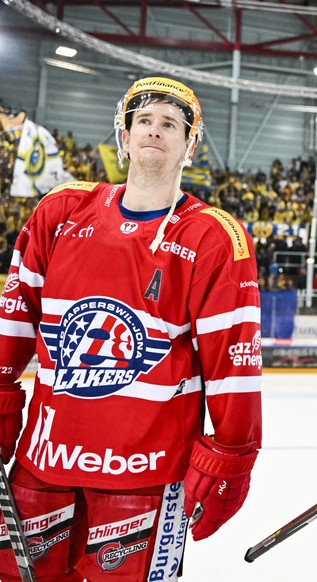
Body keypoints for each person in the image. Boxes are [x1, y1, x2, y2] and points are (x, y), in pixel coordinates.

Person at [0, 77, 262, 580]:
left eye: (170, 124)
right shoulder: (61, 211)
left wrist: (231, 455)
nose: (155, 132)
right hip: (44, 460)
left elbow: (234, 366)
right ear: (123, 135)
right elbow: (13, 322)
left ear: (189, 144)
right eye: (143, 121)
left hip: (143, 476)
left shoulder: (213, 236)